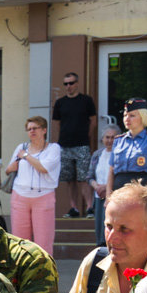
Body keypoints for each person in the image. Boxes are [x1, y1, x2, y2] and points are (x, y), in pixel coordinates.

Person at [5, 116, 60, 255]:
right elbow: (8, 170)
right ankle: (21, 273)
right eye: (29, 129)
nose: (32, 131)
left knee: (44, 242)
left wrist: (25, 156)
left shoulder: (53, 148)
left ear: (44, 130)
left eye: (35, 128)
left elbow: (43, 168)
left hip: (43, 196)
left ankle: (44, 274)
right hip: (20, 196)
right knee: (20, 242)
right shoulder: (21, 147)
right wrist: (12, 166)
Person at [52, 72, 98, 219]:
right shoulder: (60, 103)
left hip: (82, 144)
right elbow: (58, 123)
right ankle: (74, 208)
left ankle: (90, 208)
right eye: (66, 84)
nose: (68, 86)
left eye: (71, 83)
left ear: (77, 83)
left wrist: (87, 137)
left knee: (84, 178)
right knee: (69, 179)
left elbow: (93, 121)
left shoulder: (86, 100)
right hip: (65, 145)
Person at [107, 98, 147, 193]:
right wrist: (108, 197)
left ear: (143, 117)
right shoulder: (118, 141)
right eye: (125, 115)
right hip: (119, 194)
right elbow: (111, 172)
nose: (127, 119)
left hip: (141, 195)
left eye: (132, 115)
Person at [90, 125, 120, 247]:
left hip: (114, 196)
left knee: (110, 227)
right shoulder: (97, 154)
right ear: (102, 139)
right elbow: (89, 176)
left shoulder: (120, 154)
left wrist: (106, 187)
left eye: (113, 137)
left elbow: (119, 175)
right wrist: (96, 186)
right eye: (107, 137)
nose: (109, 140)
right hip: (98, 196)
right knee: (99, 228)